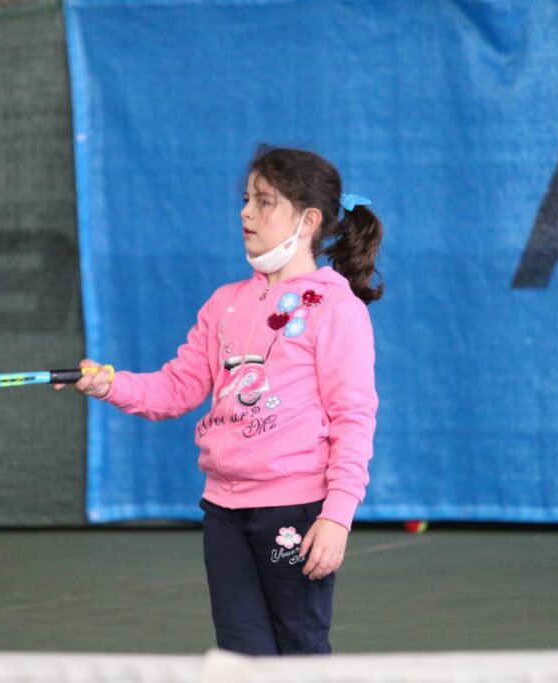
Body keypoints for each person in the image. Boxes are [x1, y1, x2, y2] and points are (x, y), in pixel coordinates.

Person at [58, 145, 383, 655]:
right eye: (246, 199)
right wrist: (108, 384)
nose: (245, 213)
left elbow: (354, 418)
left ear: (308, 220)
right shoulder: (224, 303)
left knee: (299, 651)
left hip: (295, 512)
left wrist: (337, 515)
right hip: (224, 514)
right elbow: (176, 388)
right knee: (240, 654)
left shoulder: (336, 308)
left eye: (264, 202)